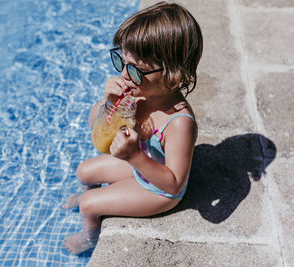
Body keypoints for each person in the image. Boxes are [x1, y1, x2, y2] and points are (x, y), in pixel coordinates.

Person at [63, 1, 203, 255]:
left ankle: (89, 238)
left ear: (173, 74)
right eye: (122, 62)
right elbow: (94, 124)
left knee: (88, 204)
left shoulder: (178, 122)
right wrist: (109, 104)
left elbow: (172, 184)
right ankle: (107, 194)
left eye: (137, 71)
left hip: (157, 188)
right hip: (140, 164)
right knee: (83, 171)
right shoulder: (139, 94)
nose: (126, 76)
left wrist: (134, 156)